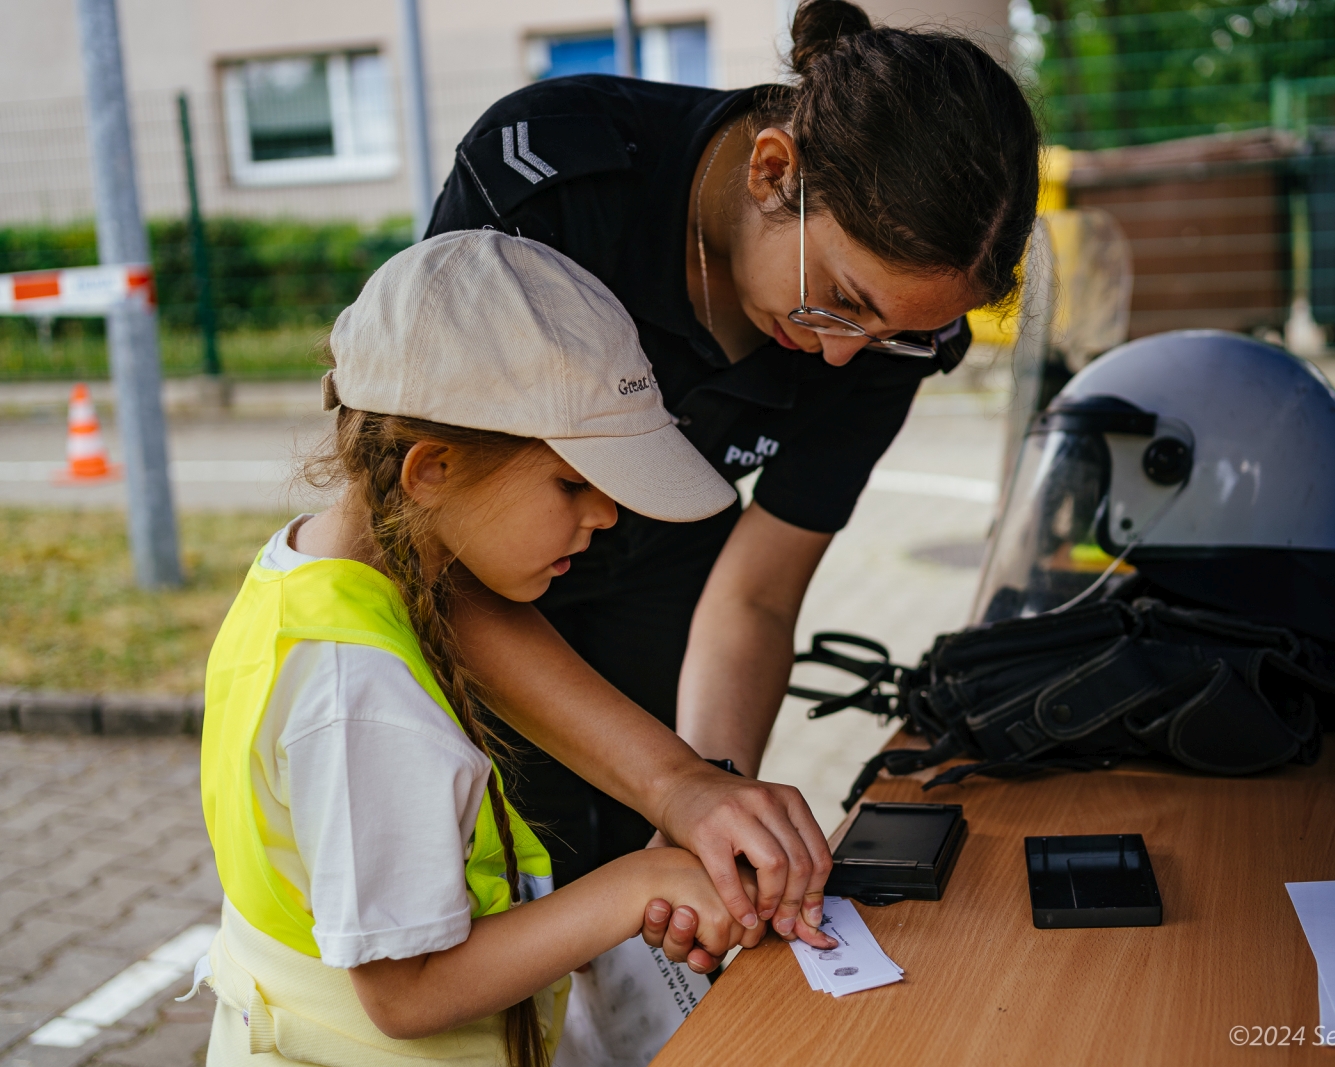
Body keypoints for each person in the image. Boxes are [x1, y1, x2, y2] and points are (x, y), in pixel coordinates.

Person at [426, 0, 1042, 945]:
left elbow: (755, 592)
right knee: (495, 911)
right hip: (480, 615)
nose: (844, 360)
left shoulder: (890, 339)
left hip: (672, 604)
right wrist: (678, 783)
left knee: (651, 924)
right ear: (772, 170)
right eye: (843, 302)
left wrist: (715, 803)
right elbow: (435, 555)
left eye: (893, 336)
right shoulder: (552, 187)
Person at [198, 232, 788, 1067]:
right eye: (572, 484)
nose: (608, 515)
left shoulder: (313, 577)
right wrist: (635, 885)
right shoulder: (360, 691)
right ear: (431, 470)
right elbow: (405, 991)